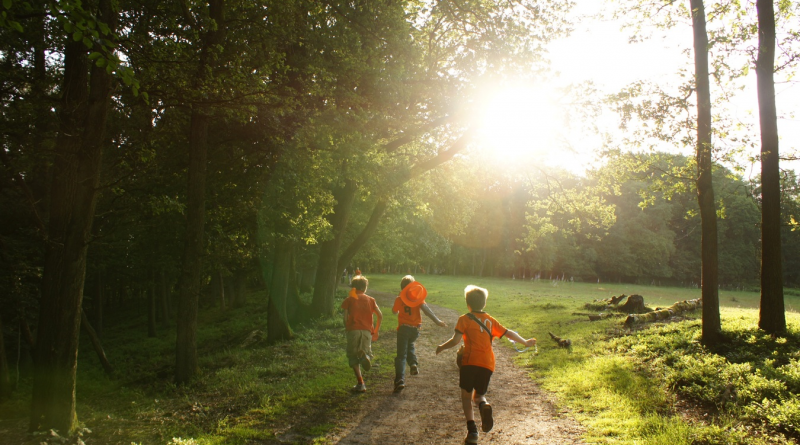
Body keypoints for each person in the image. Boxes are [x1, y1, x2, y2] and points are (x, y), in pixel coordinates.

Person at [436, 285, 536, 444]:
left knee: (466, 397)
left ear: (468, 304)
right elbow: (509, 332)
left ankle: (472, 432)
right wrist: (525, 342)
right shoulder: (490, 320)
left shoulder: (464, 319)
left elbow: (455, 341)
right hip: (487, 364)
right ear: (484, 304)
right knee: (479, 395)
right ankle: (484, 405)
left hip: (469, 363)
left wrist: (441, 347)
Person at [391, 276, 447, 392]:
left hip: (403, 329)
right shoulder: (418, 299)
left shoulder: (399, 299)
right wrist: (438, 321)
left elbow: (394, 311)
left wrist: (398, 306)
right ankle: (413, 364)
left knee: (401, 356)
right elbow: (427, 311)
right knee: (410, 345)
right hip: (415, 330)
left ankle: (400, 380)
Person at [341, 275, 382, 393]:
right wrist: (376, 331)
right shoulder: (371, 300)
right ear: (365, 288)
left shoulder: (349, 299)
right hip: (367, 331)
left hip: (353, 330)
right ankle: (366, 356)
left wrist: (347, 328)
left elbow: (345, 318)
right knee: (366, 350)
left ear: (353, 288)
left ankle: (361, 383)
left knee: (353, 357)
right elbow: (380, 315)